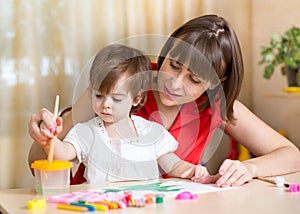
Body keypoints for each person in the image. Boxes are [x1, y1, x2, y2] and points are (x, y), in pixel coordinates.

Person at [28, 14, 300, 187]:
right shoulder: (124, 82)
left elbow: (291, 155)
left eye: (194, 79)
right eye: (174, 65)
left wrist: (248, 167)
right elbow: (36, 163)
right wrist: (44, 138)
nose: (175, 83)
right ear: (165, 53)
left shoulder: (218, 106)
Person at [34, 43, 209, 184]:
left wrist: (193, 170)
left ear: (136, 99)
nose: (106, 105)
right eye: (99, 95)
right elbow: (63, 153)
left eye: (116, 99)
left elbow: (173, 164)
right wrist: (50, 141)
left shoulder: (150, 132)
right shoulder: (87, 132)